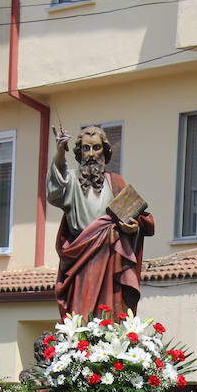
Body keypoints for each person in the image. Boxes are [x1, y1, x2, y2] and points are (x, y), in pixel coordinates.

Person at [46, 124, 154, 318]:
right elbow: (55, 190)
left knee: (110, 313)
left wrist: (132, 229)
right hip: (81, 258)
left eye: (96, 148)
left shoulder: (115, 182)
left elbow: (138, 217)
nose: (91, 153)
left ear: (104, 151)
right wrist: (60, 153)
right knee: (82, 312)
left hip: (110, 256)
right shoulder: (70, 180)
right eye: (86, 148)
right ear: (79, 153)